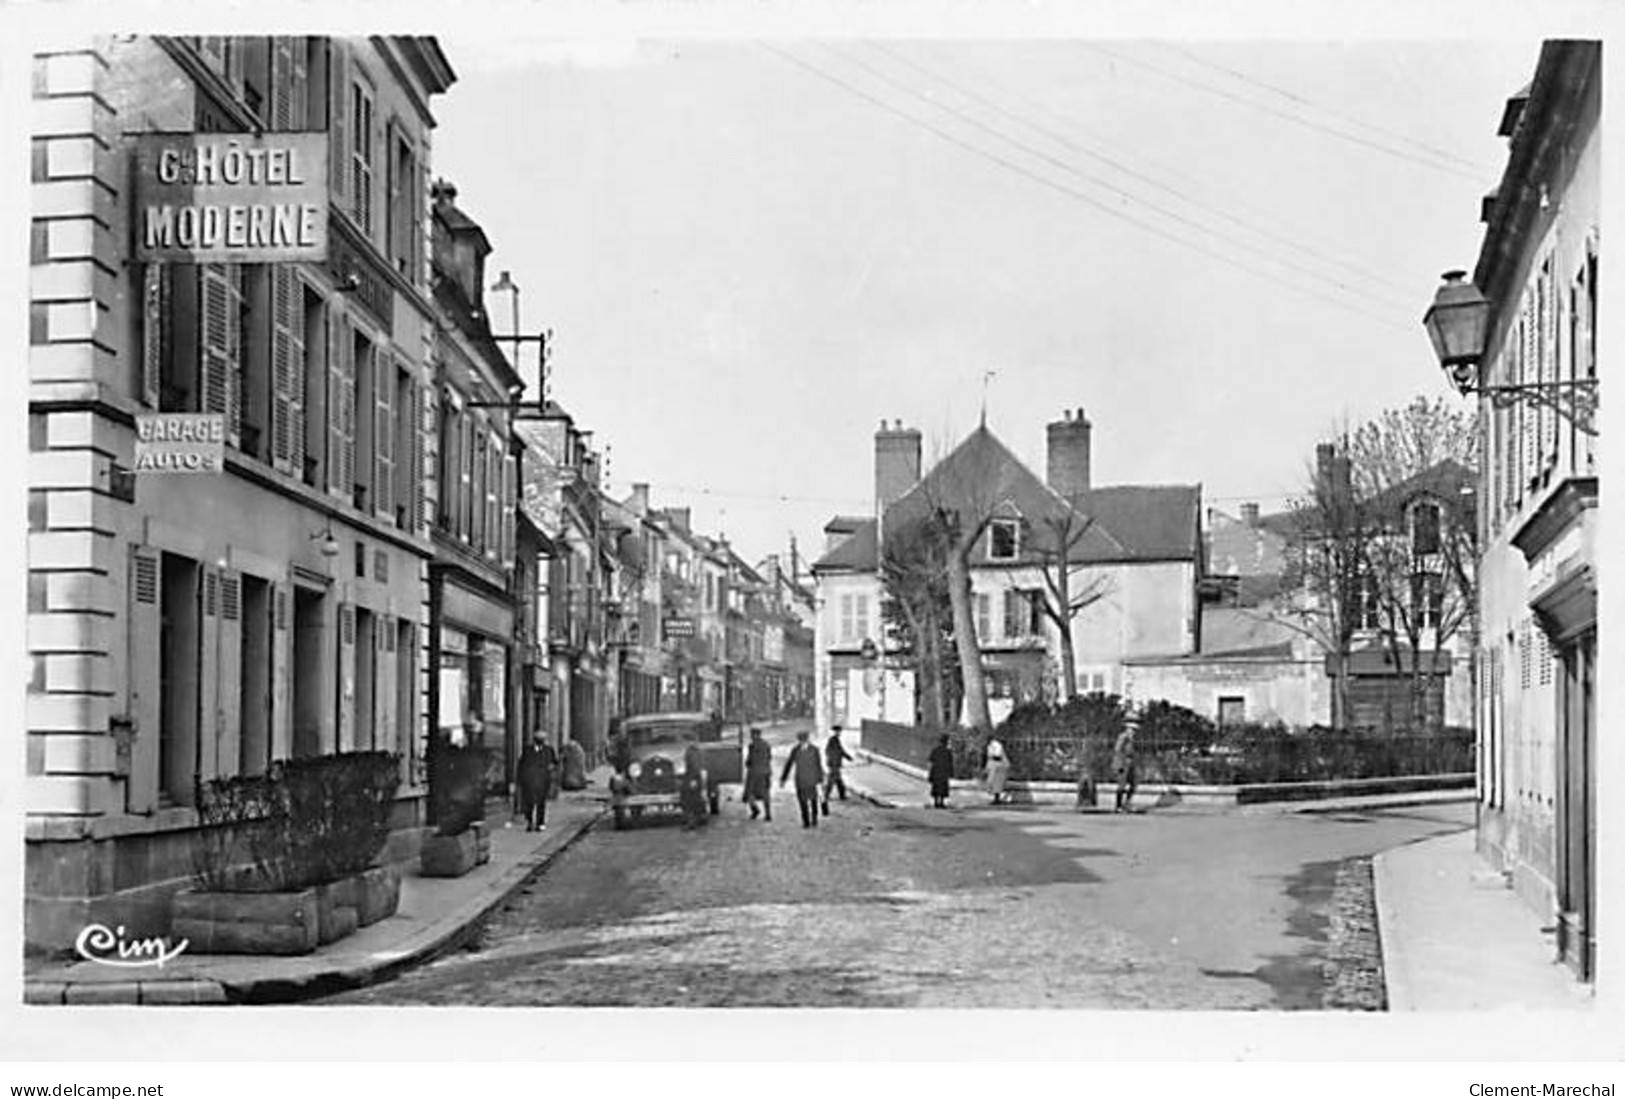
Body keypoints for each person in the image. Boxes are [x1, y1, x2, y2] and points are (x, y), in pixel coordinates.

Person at [779, 729, 826, 828]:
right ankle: (810, 820)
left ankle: (810, 820)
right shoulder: (811, 749)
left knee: (809, 800)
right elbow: (818, 765)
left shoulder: (802, 750)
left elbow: (789, 765)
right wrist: (821, 779)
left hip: (806, 779)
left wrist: (783, 779)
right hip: (806, 779)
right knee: (807, 800)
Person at [516, 734, 556, 831]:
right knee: (528, 802)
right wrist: (521, 779)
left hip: (543, 780)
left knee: (541, 802)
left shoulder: (548, 750)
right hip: (530, 780)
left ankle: (540, 823)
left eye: (542, 740)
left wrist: (551, 769)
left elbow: (554, 762)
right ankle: (529, 822)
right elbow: (521, 764)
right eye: (538, 740)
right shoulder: (527, 750)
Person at [821, 725, 853, 815]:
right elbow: (831, 752)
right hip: (834, 764)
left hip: (835, 764)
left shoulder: (835, 740)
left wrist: (848, 757)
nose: (839, 733)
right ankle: (826, 796)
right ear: (835, 732)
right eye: (838, 731)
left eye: (839, 731)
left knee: (839, 780)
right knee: (831, 781)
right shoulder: (833, 740)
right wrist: (835, 761)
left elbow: (840, 751)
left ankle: (841, 795)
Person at [744, 727, 773, 821]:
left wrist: (748, 763)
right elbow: (769, 757)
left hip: (754, 773)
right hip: (765, 772)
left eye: (752, 735)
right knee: (765, 794)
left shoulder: (752, 746)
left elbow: (749, 760)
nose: (751, 737)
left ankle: (755, 810)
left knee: (749, 793)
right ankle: (768, 814)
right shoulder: (766, 745)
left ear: (754, 735)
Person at [1112, 717, 1140, 813]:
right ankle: (1118, 806)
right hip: (1123, 764)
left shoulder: (1131, 739)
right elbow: (1117, 750)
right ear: (1128, 729)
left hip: (1129, 764)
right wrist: (1121, 763)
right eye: (1132, 730)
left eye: (1135, 730)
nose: (1134, 732)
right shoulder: (1123, 737)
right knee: (1122, 785)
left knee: (1133, 784)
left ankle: (1127, 803)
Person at [679, 742, 708, 831]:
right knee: (694, 799)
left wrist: (693, 780)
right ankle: (696, 819)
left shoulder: (692, 753)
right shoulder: (698, 752)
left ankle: (692, 822)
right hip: (694, 777)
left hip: (693, 777)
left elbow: (694, 767)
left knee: (689, 800)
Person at [927, 734, 954, 809]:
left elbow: (930, 762)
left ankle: (936, 802)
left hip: (936, 772)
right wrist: (951, 773)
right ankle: (941, 802)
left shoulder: (935, 750)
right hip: (944, 773)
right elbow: (950, 763)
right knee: (942, 787)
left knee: (936, 786)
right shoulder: (948, 752)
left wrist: (929, 773)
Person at [983, 733, 1010, 805]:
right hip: (994, 765)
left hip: (998, 765)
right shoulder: (990, 746)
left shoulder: (996, 745)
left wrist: (992, 756)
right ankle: (996, 798)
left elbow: (997, 755)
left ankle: (998, 798)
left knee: (997, 783)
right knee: (993, 782)